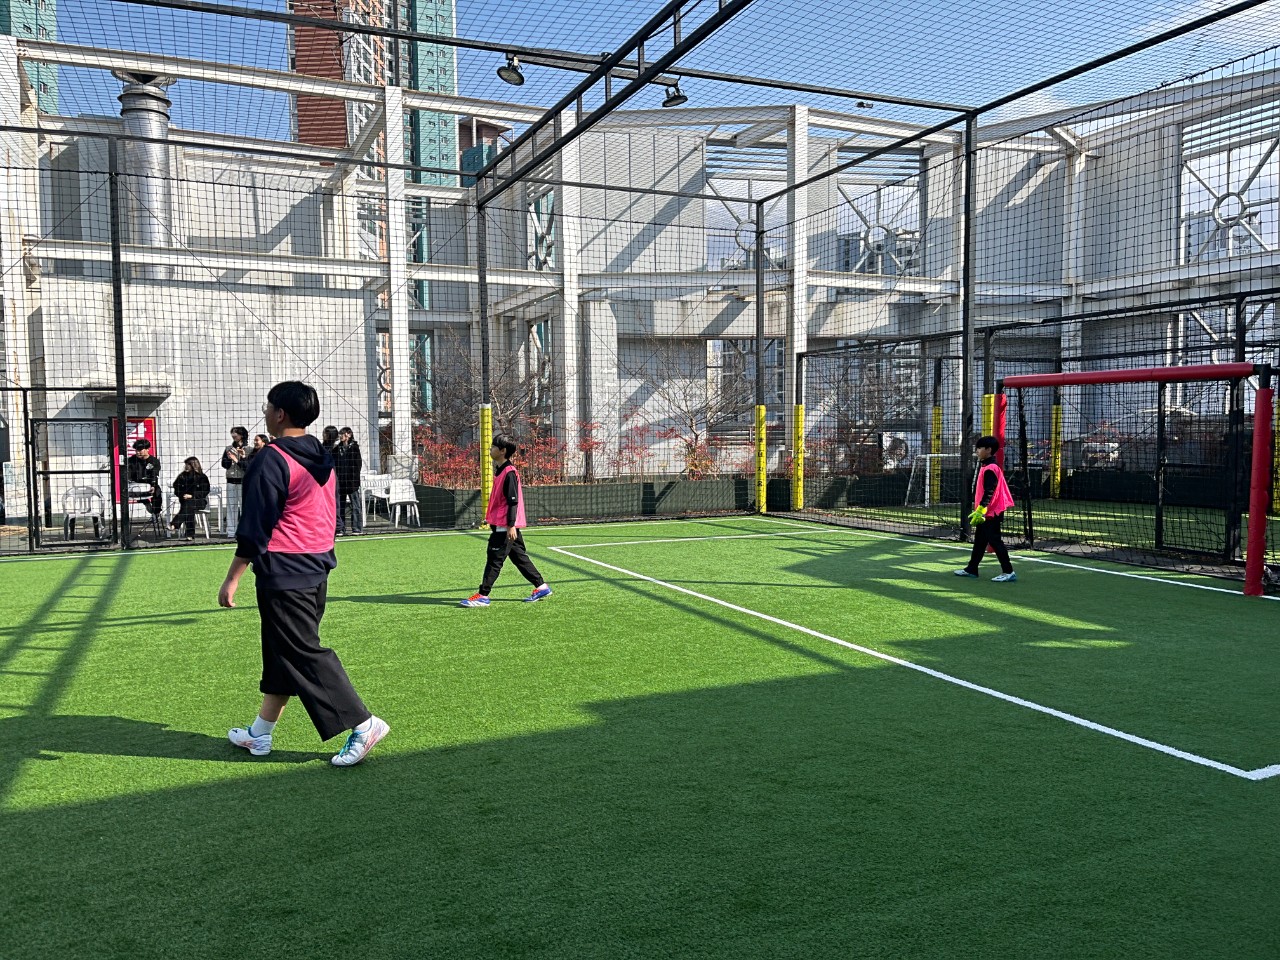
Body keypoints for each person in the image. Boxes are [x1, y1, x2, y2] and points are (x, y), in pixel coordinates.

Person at [219, 381, 389, 767]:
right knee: (282, 650)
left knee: (301, 650)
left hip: (286, 570)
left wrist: (233, 577)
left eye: (268, 407)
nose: (265, 412)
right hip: (315, 566)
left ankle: (364, 724)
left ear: (280, 414)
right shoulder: (322, 454)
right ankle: (259, 734)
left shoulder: (271, 458)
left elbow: (255, 526)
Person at [460, 433, 553, 607]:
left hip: (505, 525)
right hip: (504, 524)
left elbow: (513, 502)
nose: (490, 449)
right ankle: (541, 587)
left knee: (494, 559)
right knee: (519, 557)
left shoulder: (509, 472)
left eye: (494, 447)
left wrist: (511, 526)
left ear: (502, 451)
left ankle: (483, 595)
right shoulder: (501, 470)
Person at [955, 435, 1017, 583]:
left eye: (979, 448)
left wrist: (982, 509)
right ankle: (972, 569)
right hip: (987, 512)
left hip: (991, 512)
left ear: (988, 450)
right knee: (980, 541)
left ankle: (1008, 571)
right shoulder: (986, 467)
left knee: (995, 541)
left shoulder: (991, 468)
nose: (977, 450)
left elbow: (990, 491)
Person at [170, 456, 211, 540]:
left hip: (199, 501)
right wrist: (182, 495)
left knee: (188, 505)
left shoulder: (202, 477)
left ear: (193, 465)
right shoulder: (182, 476)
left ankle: (174, 524)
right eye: (185, 464)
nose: (186, 466)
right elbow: (176, 488)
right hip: (185, 502)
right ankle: (190, 535)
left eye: (188, 465)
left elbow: (205, 491)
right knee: (189, 508)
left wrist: (192, 496)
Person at [333, 426, 364, 535]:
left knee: (355, 505)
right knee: (340, 506)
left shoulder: (355, 448)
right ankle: (340, 528)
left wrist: (354, 479)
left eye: (343, 434)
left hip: (352, 483)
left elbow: (358, 465)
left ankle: (357, 528)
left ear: (349, 435)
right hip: (340, 482)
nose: (341, 436)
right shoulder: (336, 449)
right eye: (340, 434)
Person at [221, 426, 249, 536]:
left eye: (236, 433)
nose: (233, 435)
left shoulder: (249, 449)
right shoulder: (228, 448)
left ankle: (244, 530)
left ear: (242, 435)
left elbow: (247, 467)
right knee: (231, 506)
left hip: (243, 481)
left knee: (244, 506)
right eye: (232, 433)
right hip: (231, 481)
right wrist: (229, 458)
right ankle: (231, 532)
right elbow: (224, 465)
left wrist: (238, 458)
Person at [126, 438, 162, 515]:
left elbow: (154, 474)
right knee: (130, 491)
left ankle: (156, 513)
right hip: (136, 485)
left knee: (157, 492)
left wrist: (153, 485)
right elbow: (127, 475)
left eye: (140, 450)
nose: (138, 452)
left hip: (149, 484)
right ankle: (146, 502)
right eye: (136, 450)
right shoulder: (131, 460)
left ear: (147, 449)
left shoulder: (154, 461)